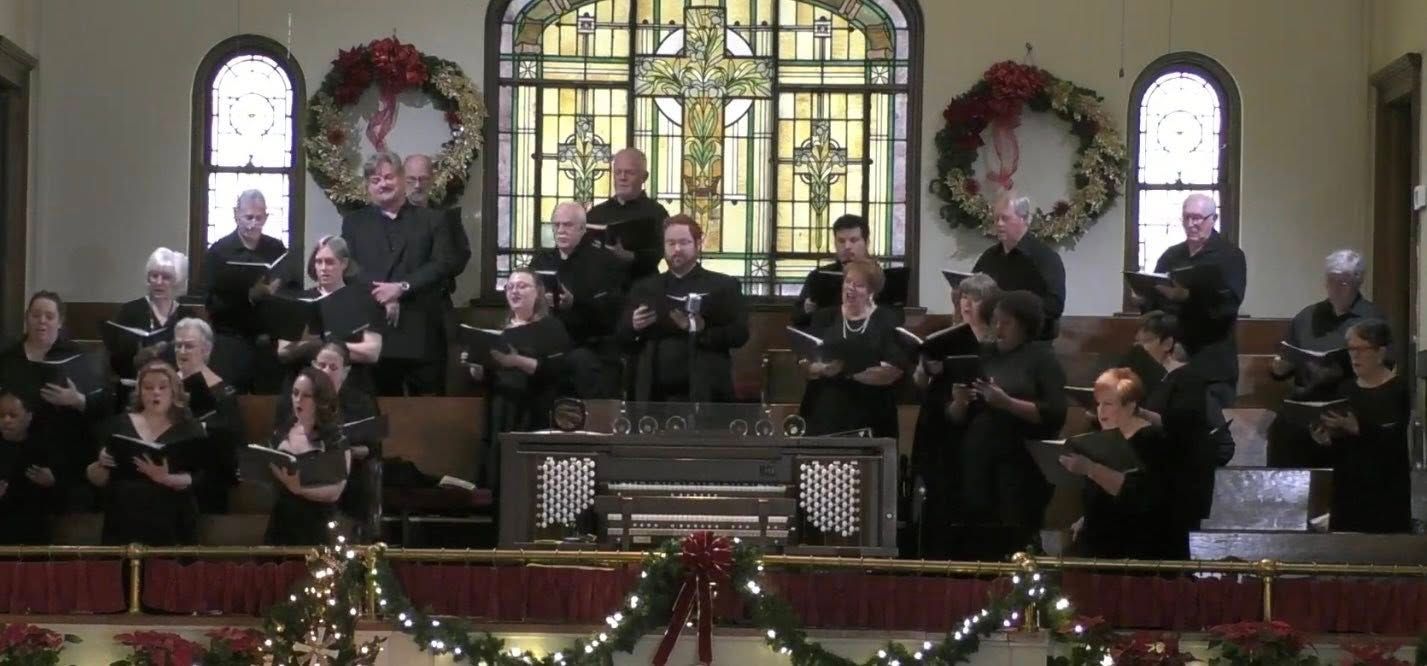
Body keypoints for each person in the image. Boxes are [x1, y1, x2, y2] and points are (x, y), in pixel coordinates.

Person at [947, 290, 1066, 559]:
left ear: (1025, 325)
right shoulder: (983, 355)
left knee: (1014, 532)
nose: (998, 328)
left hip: (1020, 461)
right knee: (977, 532)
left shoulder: (1042, 358)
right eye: (996, 321)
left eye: (1006, 322)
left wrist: (1007, 403)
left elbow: (1055, 414)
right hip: (977, 458)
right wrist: (959, 402)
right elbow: (954, 417)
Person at [341, 152, 463, 396]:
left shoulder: (433, 220)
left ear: (401, 178)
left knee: (428, 411)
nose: (383, 184)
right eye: (375, 180)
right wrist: (383, 293)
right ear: (368, 187)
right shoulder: (353, 223)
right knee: (379, 407)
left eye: (388, 177)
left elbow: (443, 263)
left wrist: (401, 288)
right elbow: (349, 267)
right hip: (375, 328)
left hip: (423, 329)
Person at [1137, 193, 1246, 465]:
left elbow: (1227, 308)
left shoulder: (1230, 257)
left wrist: (1187, 298)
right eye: (1187, 217)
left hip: (1211, 363)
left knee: (1198, 436)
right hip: (1171, 358)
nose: (1192, 223)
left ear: (1213, 219)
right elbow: (1156, 310)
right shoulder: (1173, 255)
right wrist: (1145, 297)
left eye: (1198, 218)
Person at [1267, 249, 1385, 468]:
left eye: (1343, 282)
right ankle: (1284, 501)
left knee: (1345, 435)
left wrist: (1341, 370)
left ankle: (1335, 499)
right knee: (1282, 428)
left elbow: (1384, 368)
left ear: (1358, 282)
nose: (1335, 288)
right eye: (1331, 280)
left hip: (1348, 404)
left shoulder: (1372, 319)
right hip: (1306, 404)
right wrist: (1279, 367)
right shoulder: (1307, 317)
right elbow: (1283, 366)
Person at [908, 273, 998, 558]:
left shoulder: (997, 340)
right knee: (937, 492)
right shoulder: (944, 337)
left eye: (975, 298)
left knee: (969, 493)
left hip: (975, 422)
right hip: (937, 422)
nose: (967, 304)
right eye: (963, 297)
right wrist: (925, 369)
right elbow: (920, 384)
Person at [616, 215, 749, 403]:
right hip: (653, 390)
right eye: (670, 243)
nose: (676, 249)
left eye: (684, 242)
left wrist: (698, 329)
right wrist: (634, 325)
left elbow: (740, 334)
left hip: (706, 388)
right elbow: (622, 336)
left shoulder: (723, 286)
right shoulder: (645, 287)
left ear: (698, 244)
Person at [463, 268, 572, 491]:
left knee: (529, 483)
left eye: (522, 286)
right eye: (510, 286)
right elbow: (486, 377)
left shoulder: (551, 327)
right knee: (499, 475)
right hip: (502, 409)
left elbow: (558, 369)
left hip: (535, 408)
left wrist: (515, 361)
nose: (515, 291)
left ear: (538, 293)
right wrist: (476, 366)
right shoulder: (500, 330)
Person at [0, 291, 109, 506]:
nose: (42, 321)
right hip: (11, 448)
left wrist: (77, 400)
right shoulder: (8, 358)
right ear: (26, 318)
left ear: (60, 322)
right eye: (36, 315)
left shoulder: (78, 356)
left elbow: (102, 406)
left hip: (60, 451)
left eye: (49, 316)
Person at [1059, 368, 1178, 559]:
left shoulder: (1152, 441)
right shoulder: (1106, 439)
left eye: (1108, 404)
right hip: (1100, 545)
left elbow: (1141, 496)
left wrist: (1090, 468)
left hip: (1135, 551)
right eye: (1098, 404)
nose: (1100, 411)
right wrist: (1087, 518)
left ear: (1130, 406)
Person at [87, 361, 206, 545]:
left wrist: (167, 479)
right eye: (148, 387)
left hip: (172, 517)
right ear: (140, 392)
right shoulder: (117, 424)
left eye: (162, 387)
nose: (155, 392)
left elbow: (201, 476)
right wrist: (102, 461)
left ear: (174, 391)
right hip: (124, 516)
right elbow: (95, 477)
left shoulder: (191, 428)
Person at [1309, 320, 1411, 533]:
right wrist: (1326, 441)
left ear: (1380, 352)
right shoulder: (1345, 389)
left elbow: (1396, 445)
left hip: (1385, 493)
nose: (1354, 356)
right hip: (1347, 490)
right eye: (1350, 349)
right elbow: (1342, 447)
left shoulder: (1398, 390)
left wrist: (1359, 428)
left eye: (1360, 349)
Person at [193, 190, 297, 394]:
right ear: (236, 215)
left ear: (266, 217)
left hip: (269, 345)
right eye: (248, 217)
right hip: (230, 342)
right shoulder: (219, 252)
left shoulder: (276, 249)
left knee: (269, 402)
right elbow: (207, 301)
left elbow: (293, 292)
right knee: (230, 401)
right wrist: (249, 296)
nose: (253, 223)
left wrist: (278, 294)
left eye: (259, 218)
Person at [1133, 311, 1216, 548]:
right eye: (1137, 342)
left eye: (1146, 341)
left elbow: (1182, 423)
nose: (1139, 348)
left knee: (1174, 552)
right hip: (1155, 478)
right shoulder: (1148, 379)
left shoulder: (1188, 377)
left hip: (1180, 481)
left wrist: (1136, 412)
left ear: (1168, 343)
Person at [529, 202, 628, 398]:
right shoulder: (542, 260)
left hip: (590, 344)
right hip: (548, 343)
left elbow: (612, 311)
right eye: (556, 225)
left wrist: (575, 303)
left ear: (583, 229)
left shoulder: (604, 262)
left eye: (567, 225)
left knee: (580, 362)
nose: (561, 231)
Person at [797, 259, 906, 438]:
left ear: (872, 291)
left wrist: (850, 374)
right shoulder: (824, 317)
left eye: (859, 285)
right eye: (848, 282)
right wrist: (822, 369)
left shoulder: (887, 319)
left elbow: (894, 367)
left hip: (871, 407)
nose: (851, 288)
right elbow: (805, 360)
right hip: (826, 406)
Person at [275, 235, 385, 394]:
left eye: (330, 261)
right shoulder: (298, 301)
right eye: (318, 262)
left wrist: (324, 345)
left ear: (344, 263)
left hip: (351, 385)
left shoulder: (363, 301)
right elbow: (284, 351)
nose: (323, 268)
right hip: (306, 384)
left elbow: (372, 351)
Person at [264, 367, 352, 546]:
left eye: (306, 395)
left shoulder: (335, 440)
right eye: (295, 393)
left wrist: (300, 490)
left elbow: (335, 491)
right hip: (281, 521)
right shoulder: (282, 431)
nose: (298, 400)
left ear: (320, 400)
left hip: (317, 525)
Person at [405, 153, 473, 367]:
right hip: (402, 304)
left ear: (432, 179)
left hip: (437, 301)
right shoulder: (393, 216)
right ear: (402, 179)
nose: (417, 185)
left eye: (423, 179)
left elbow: (462, 255)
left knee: (434, 370)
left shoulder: (447, 216)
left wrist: (437, 266)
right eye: (411, 179)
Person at [971, 192, 1066, 340]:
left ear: (1024, 219)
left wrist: (1005, 299)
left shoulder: (1045, 258)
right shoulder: (989, 257)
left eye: (1005, 218)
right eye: (996, 218)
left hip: (1031, 346)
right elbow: (973, 287)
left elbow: (1055, 306)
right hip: (992, 341)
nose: (999, 224)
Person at [170, 317, 241, 514]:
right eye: (178, 345)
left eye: (189, 346)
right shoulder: (165, 384)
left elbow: (231, 443)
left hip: (207, 474)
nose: (182, 351)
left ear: (206, 349)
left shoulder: (223, 391)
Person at [107, 248, 198, 388]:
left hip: (177, 387)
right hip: (136, 386)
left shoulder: (187, 316)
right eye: (154, 276)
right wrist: (137, 359)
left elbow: (196, 360)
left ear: (177, 281)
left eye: (166, 277)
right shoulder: (130, 311)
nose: (158, 282)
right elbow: (116, 360)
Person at [588, 148, 670, 282]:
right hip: (602, 289)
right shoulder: (596, 213)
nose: (622, 177)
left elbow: (663, 251)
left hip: (642, 286)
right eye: (618, 172)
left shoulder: (656, 212)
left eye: (629, 172)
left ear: (644, 177)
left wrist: (632, 257)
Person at [792, 214, 885, 327]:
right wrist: (807, 308)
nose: (847, 246)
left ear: (866, 242)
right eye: (841, 241)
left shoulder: (880, 276)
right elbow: (796, 318)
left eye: (853, 240)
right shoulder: (818, 276)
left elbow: (894, 317)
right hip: (827, 338)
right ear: (835, 243)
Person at [0, 390, 60, 544]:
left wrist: (52, 482)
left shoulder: (44, 448)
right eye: (1, 415)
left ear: (29, 416)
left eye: (13, 415)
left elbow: (62, 498)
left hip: (34, 532)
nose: (6, 420)